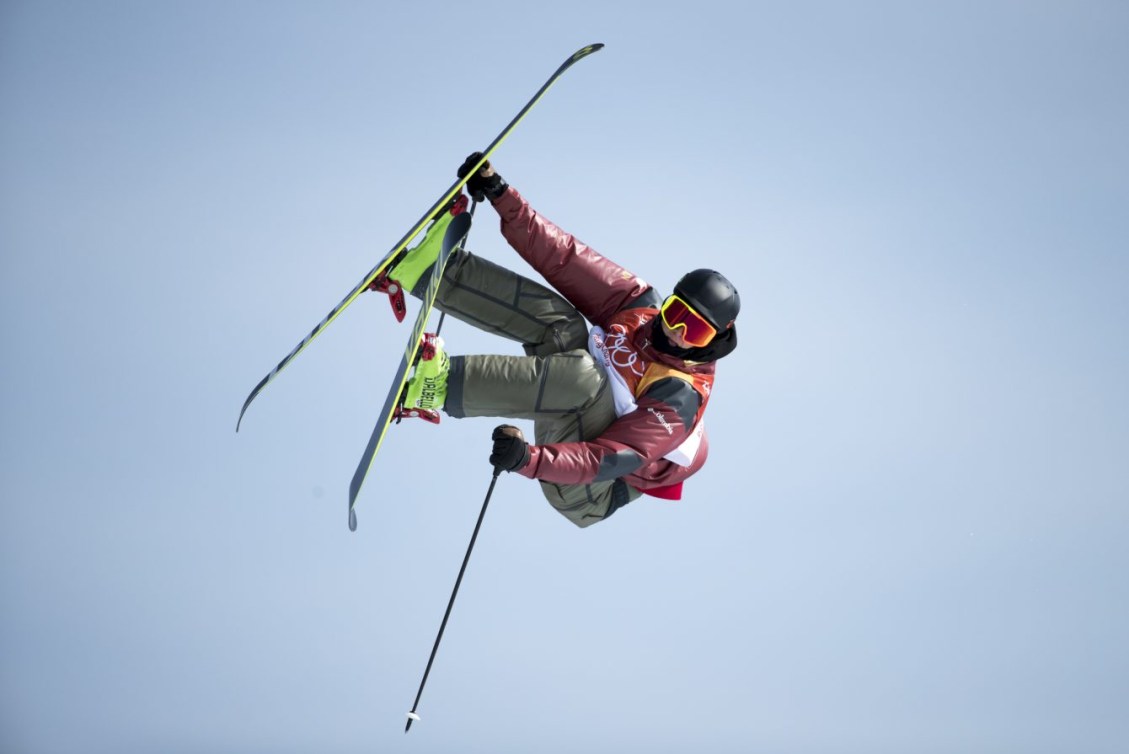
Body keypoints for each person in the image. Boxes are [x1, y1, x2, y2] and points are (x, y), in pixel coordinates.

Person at [373, 153, 740, 528]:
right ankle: (428, 271)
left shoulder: (679, 395)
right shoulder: (638, 308)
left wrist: (527, 459)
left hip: (589, 489)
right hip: (575, 415)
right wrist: (501, 195)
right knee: (564, 325)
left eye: (696, 331)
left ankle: (436, 388)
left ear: (713, 341)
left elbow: (612, 456)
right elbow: (563, 258)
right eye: (676, 313)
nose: (678, 331)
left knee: (587, 377)